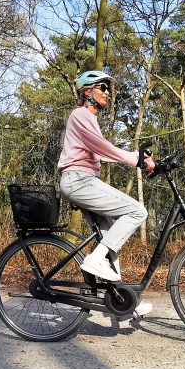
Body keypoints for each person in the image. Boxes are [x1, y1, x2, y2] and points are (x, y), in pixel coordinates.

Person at [58, 70, 155, 315]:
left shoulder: (89, 120)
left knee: (110, 235)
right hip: (79, 180)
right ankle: (95, 260)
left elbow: (100, 152)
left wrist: (139, 157)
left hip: (85, 180)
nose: (107, 93)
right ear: (87, 91)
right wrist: (136, 160)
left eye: (107, 89)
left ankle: (122, 300)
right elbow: (103, 148)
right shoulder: (80, 115)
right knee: (137, 211)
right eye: (102, 87)